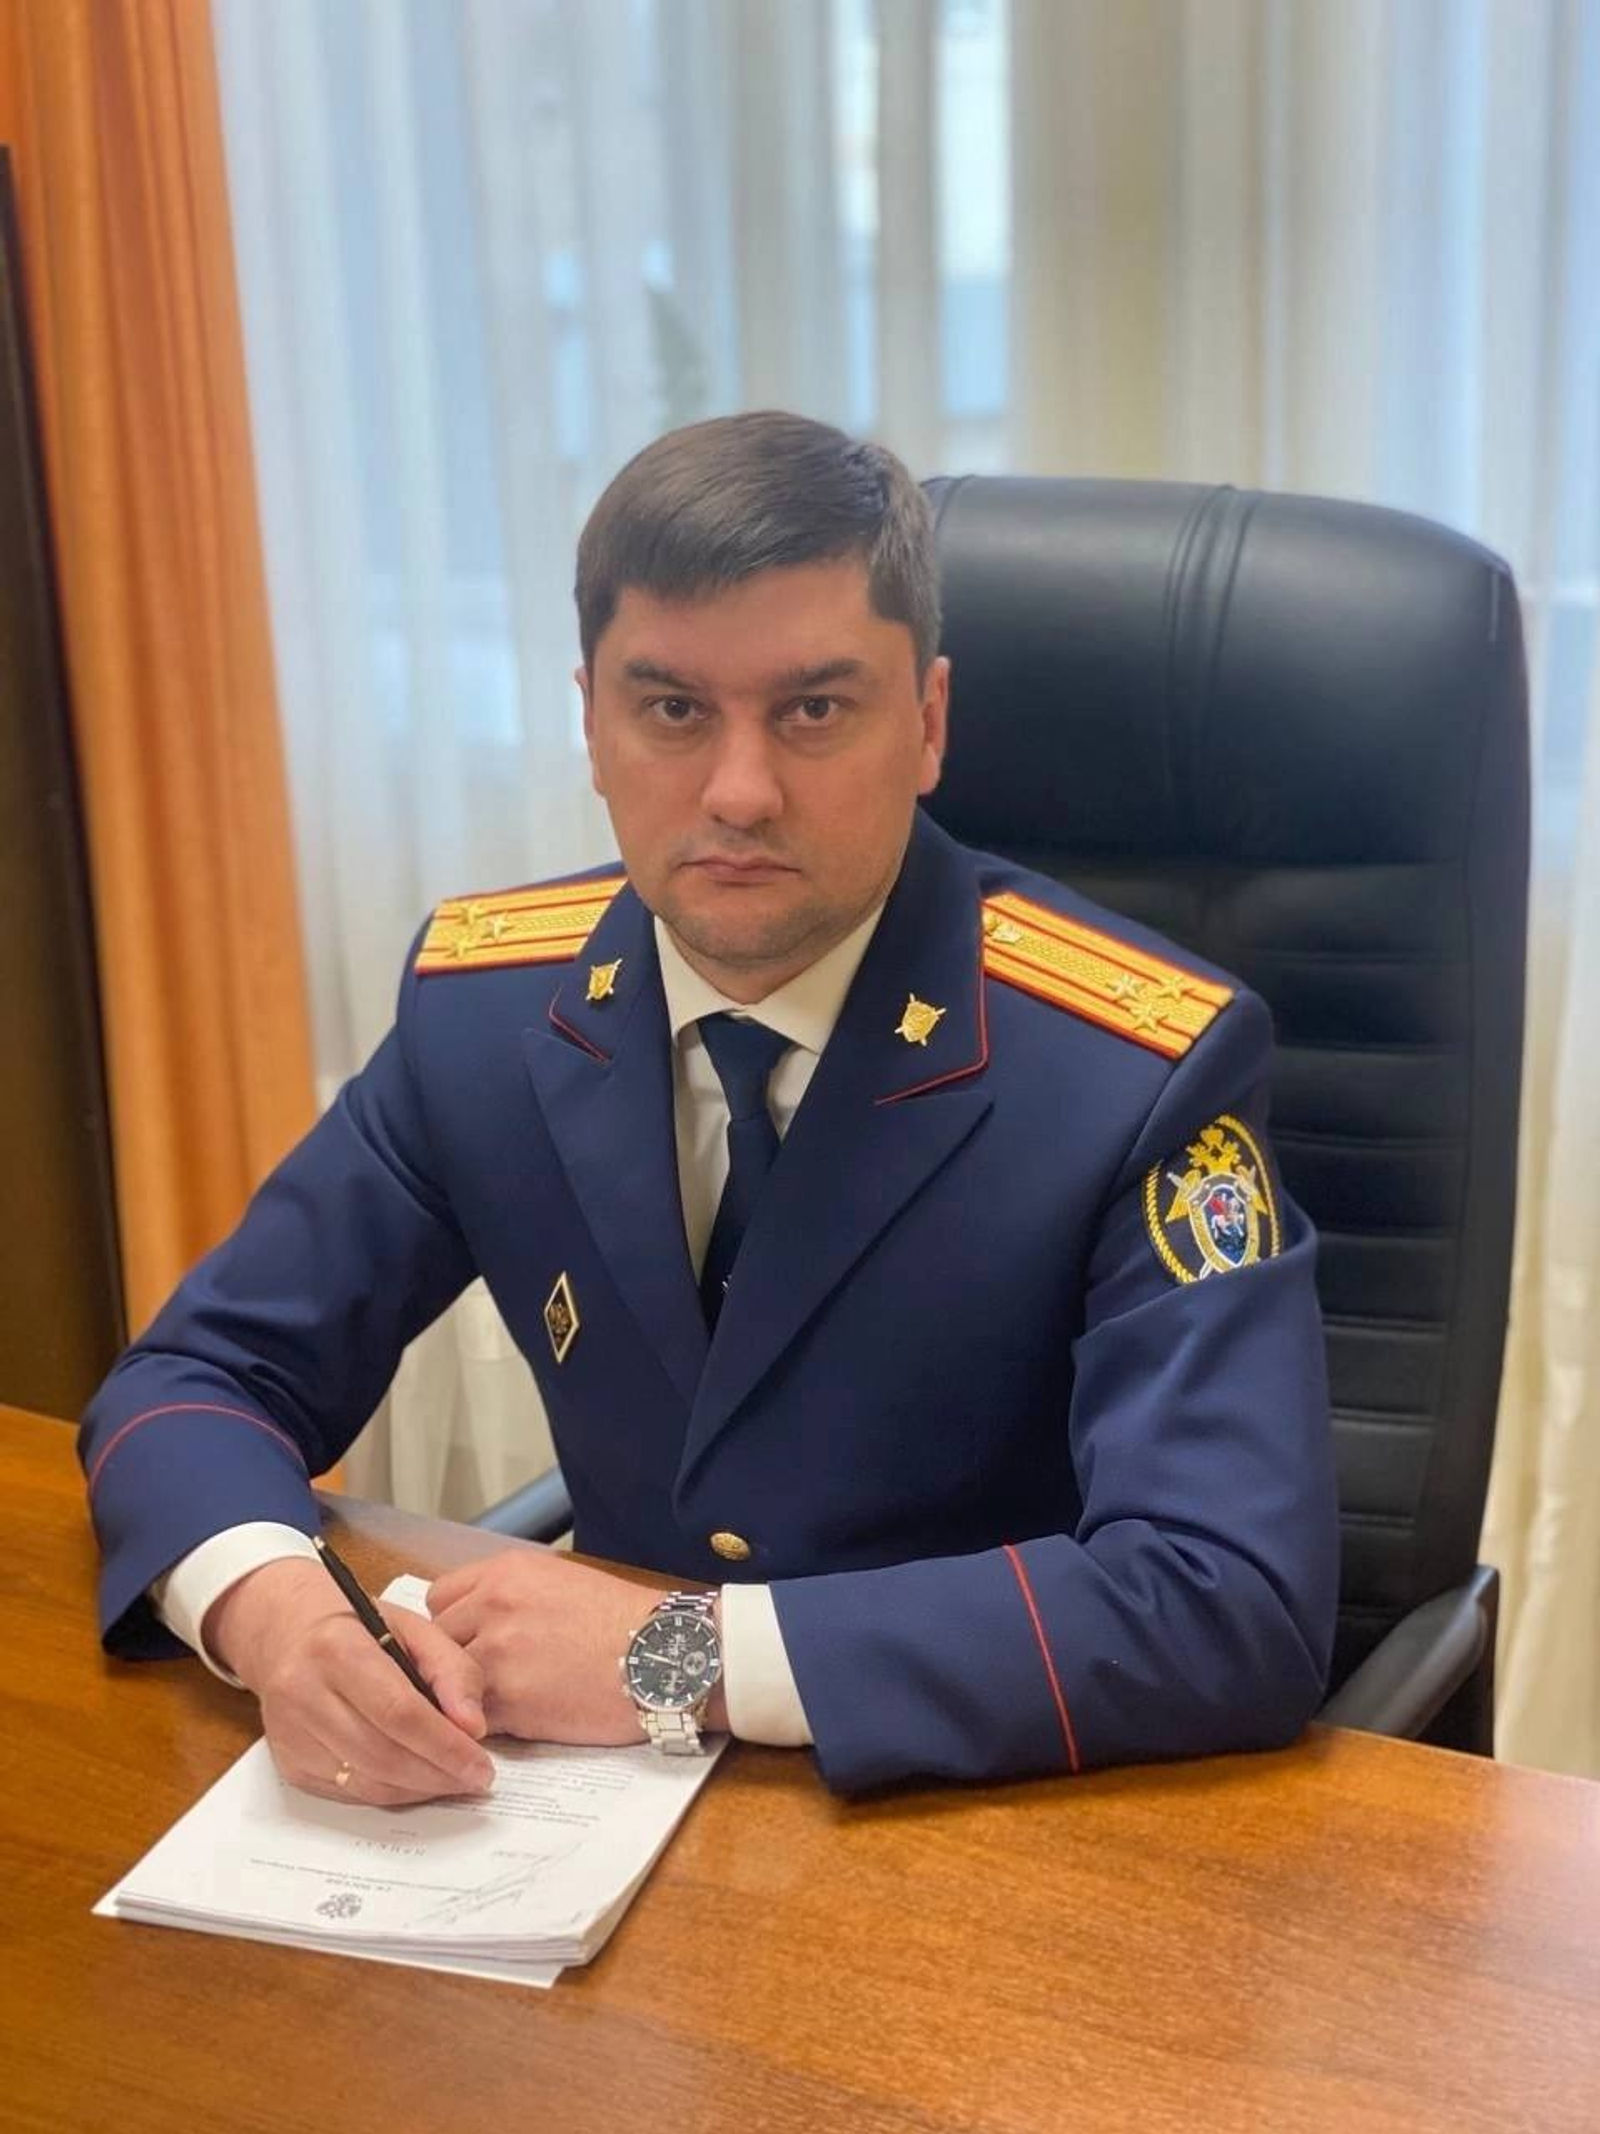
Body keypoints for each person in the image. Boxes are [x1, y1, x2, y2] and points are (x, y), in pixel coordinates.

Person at [79, 411, 1339, 1803]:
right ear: (592, 724)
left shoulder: (1137, 1071)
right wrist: (275, 1614)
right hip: (585, 1820)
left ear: (926, 724)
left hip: (982, 1815)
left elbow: (1228, 1596)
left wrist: (677, 1656)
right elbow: (198, 1375)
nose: (740, 793)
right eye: (674, 709)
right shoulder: (486, 1010)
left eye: (814, 709)